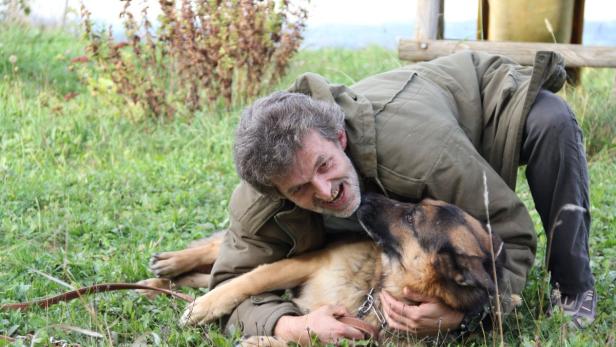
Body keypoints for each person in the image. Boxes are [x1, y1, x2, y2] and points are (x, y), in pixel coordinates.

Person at [208, 50, 596, 344]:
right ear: (276, 191)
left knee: (552, 120)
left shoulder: (427, 157)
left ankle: (575, 284)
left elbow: (507, 237)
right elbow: (225, 286)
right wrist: (292, 324)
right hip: (398, 156)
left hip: (484, 105)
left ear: (339, 137)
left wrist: (462, 315)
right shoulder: (260, 197)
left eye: (324, 166)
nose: (325, 190)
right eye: (299, 189)